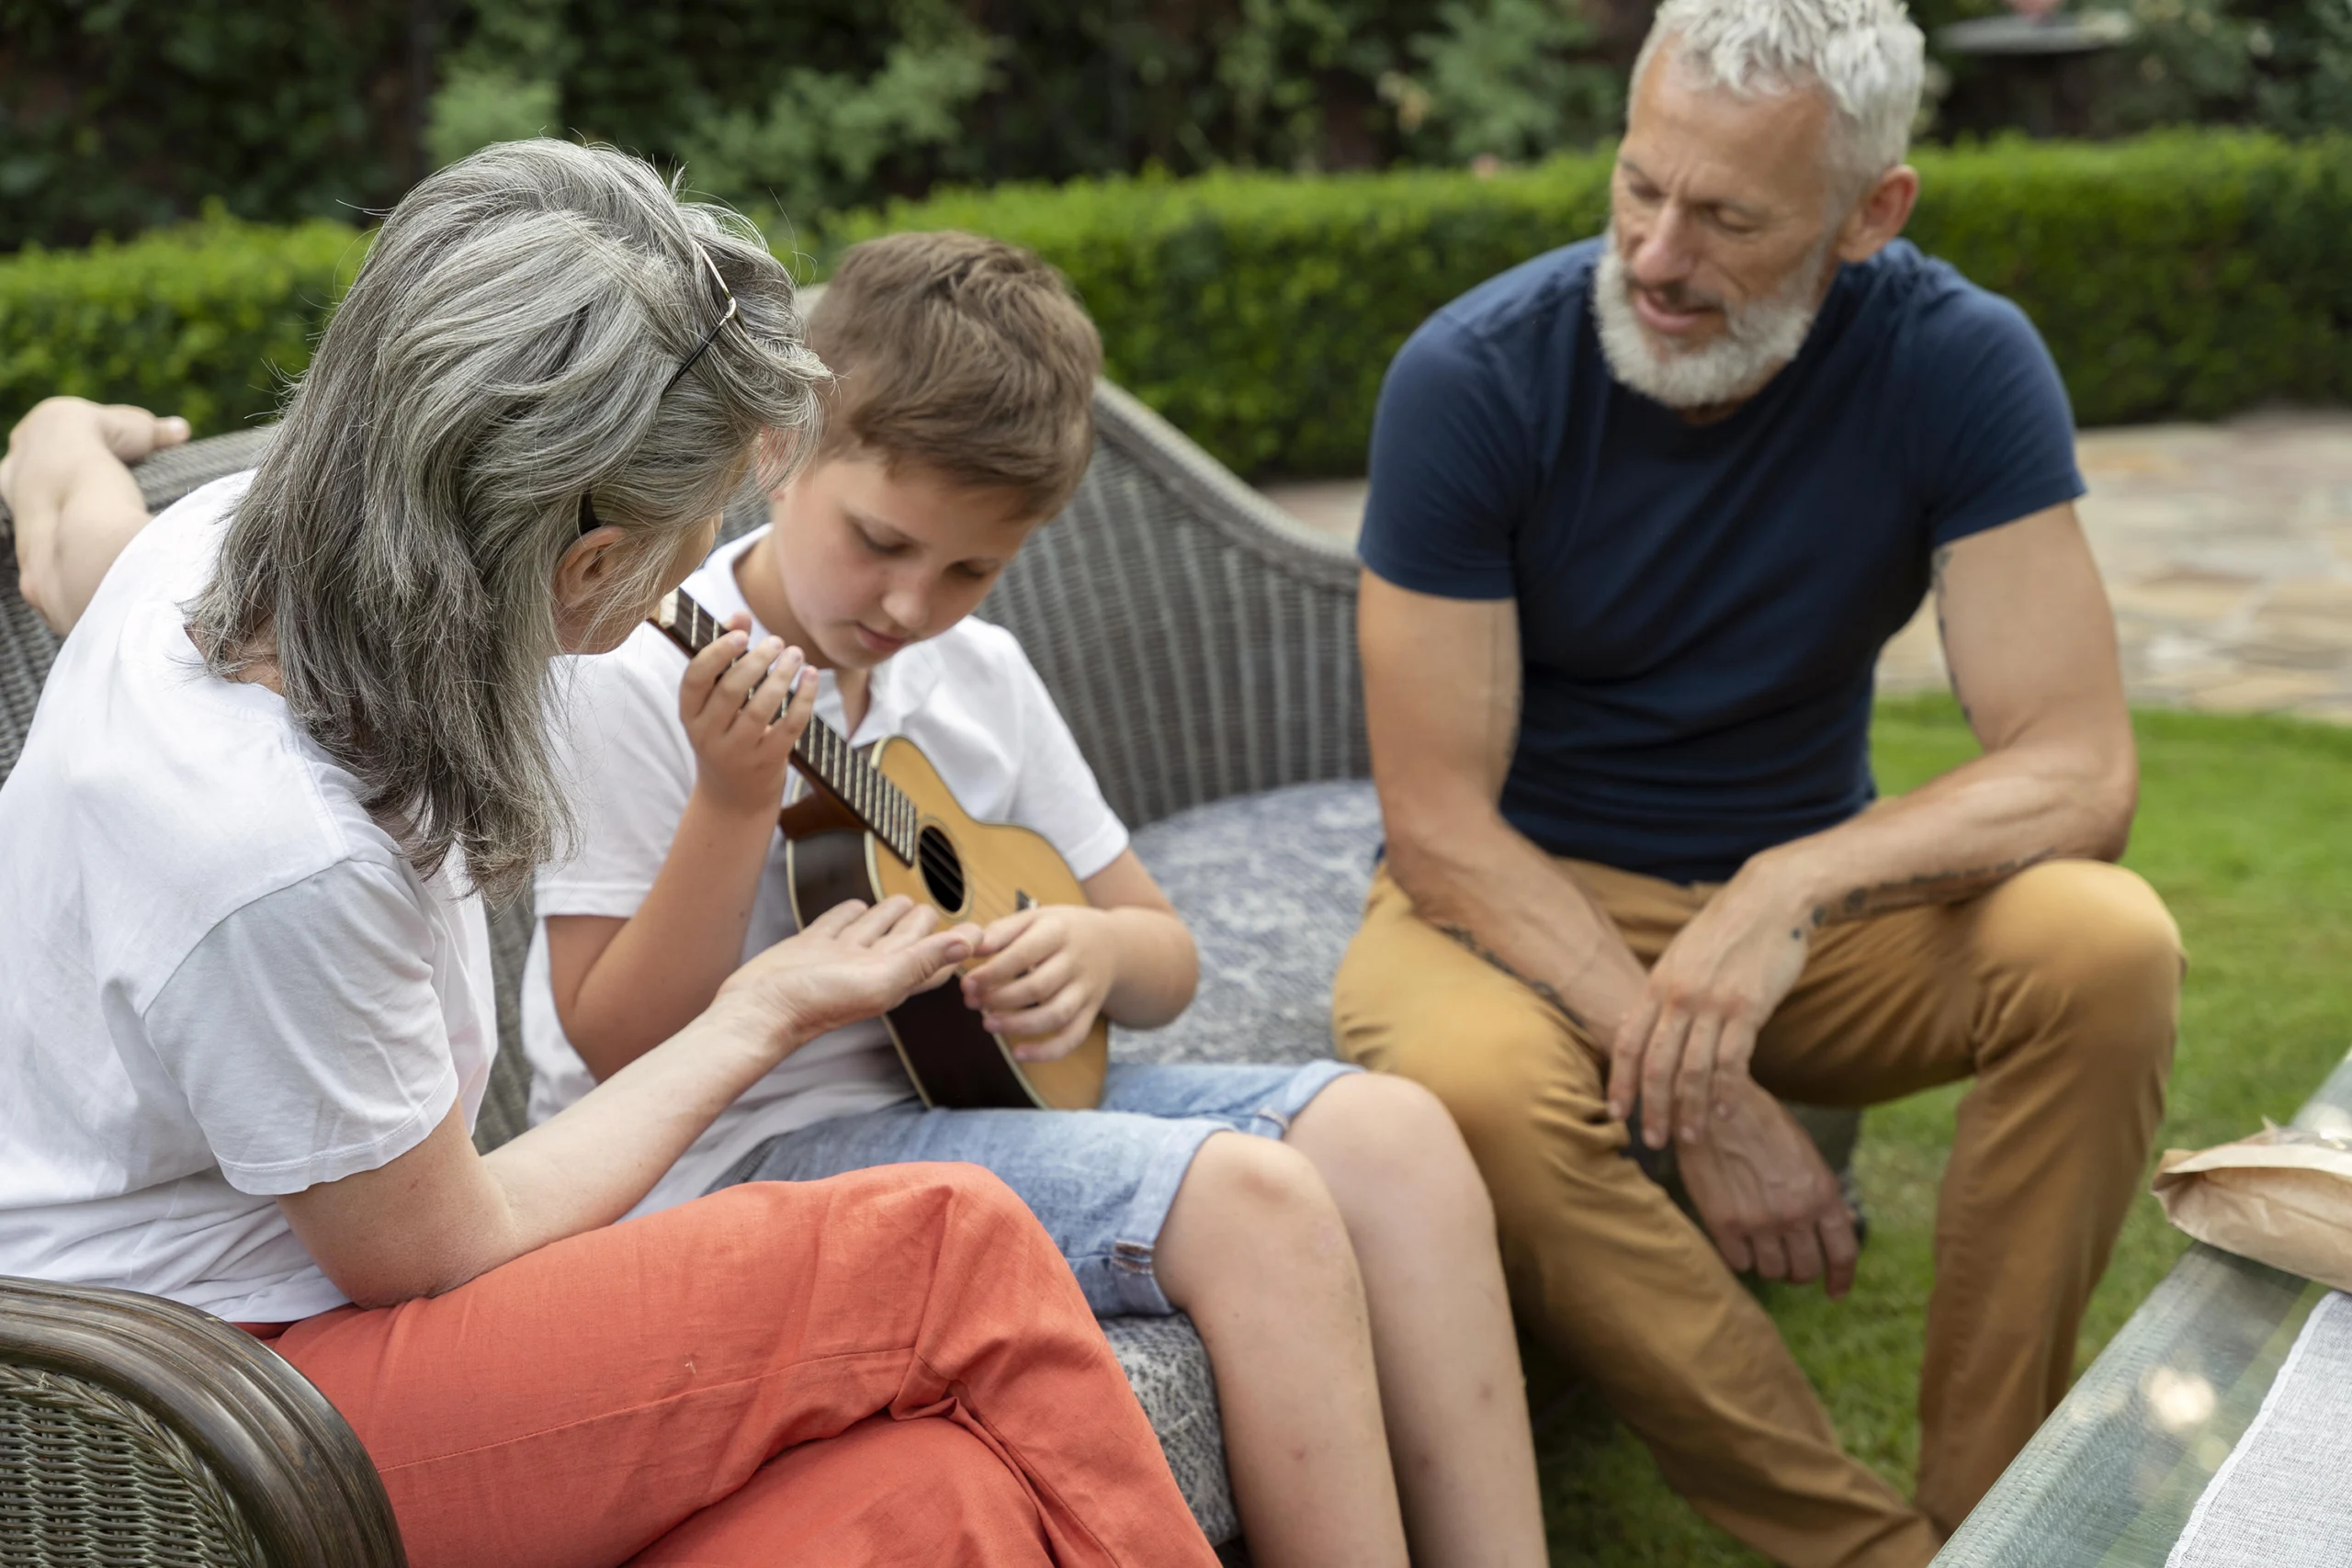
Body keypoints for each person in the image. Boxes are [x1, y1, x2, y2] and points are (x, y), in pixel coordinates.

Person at [0, 141, 1219, 1568]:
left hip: (286, 1331)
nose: (717, 550)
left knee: (946, 1496)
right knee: (950, 1246)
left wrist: (56, 434)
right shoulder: (284, 849)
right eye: (707, 517)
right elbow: (444, 1246)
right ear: (587, 566)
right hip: (206, 1406)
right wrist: (761, 1010)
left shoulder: (213, 548)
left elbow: (75, 544)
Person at [526, 229, 1546, 1568]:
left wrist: (1090, 947)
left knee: (1395, 1136)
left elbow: (1164, 957)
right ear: (779, 450)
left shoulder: (980, 675)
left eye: (969, 570)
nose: (909, 603)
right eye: (881, 541)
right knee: (1254, 1204)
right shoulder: (639, 670)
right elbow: (614, 1047)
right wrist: (734, 801)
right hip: (724, 1163)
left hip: (954, 1098)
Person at [1330, 3, 2184, 1565]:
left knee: (2107, 945)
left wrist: (1794, 884)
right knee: (1469, 1095)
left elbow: (2079, 767)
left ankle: (1992, 1509)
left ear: (1873, 212)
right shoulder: (1474, 378)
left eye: (1727, 217)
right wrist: (1705, 1093)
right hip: (1507, 911)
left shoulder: (1958, 364)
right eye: (1638, 186)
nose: (1657, 254)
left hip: (1798, 924)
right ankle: (1883, 1554)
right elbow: (1440, 826)